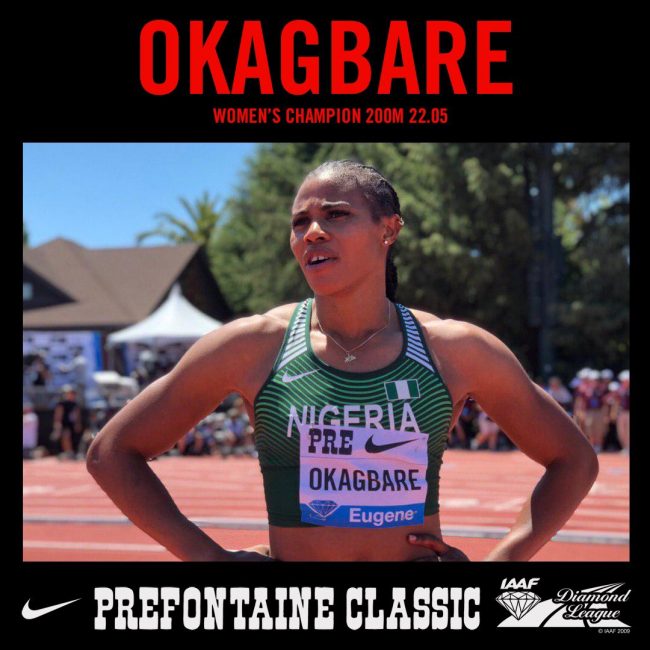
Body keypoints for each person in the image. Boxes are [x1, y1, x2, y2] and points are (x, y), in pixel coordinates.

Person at [87, 160, 598, 562]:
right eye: (300, 222)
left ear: (388, 230)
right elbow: (112, 452)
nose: (312, 232)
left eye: (335, 215)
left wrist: (503, 562)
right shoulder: (253, 346)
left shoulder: (454, 349)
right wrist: (210, 559)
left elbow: (573, 460)